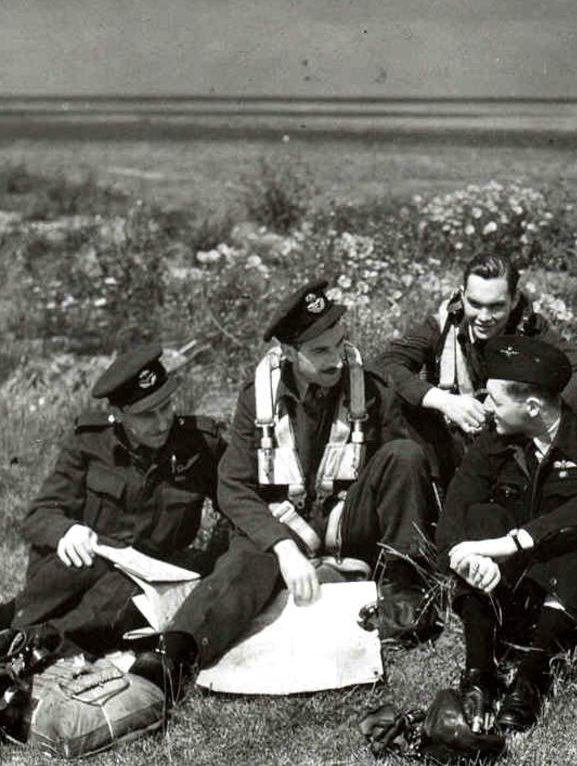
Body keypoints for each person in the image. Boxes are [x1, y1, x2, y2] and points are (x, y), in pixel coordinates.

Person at [131, 279, 437, 699]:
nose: (336, 360)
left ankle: (404, 597)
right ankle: (176, 653)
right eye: (321, 351)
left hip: (347, 520)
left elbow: (399, 475)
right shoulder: (257, 397)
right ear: (290, 354)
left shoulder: (371, 387)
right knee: (242, 562)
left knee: (405, 454)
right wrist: (283, 548)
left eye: (340, 344)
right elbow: (233, 485)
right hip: (285, 523)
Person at [436, 336, 577, 734]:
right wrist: (467, 559)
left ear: (531, 407)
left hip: (571, 604)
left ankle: (531, 676)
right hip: (510, 593)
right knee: (482, 517)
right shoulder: (496, 439)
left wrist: (517, 541)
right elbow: (454, 512)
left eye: (494, 399)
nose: (486, 407)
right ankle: (480, 672)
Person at [0, 343, 225, 656]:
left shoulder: (201, 445)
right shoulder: (90, 442)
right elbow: (39, 516)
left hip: (145, 579)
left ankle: (38, 642)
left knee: (120, 594)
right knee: (82, 562)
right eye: (147, 415)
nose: (162, 422)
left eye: (166, 406)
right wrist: (66, 531)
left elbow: (237, 500)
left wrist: (218, 556)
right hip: (79, 571)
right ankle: (16, 620)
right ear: (119, 415)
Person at [373, 252, 577, 485]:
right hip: (452, 446)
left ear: (515, 299)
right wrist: (445, 401)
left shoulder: (531, 329)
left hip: (511, 448)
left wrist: (520, 404)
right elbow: (386, 365)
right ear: (462, 294)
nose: (484, 317)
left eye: (496, 306)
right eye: (475, 304)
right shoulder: (442, 325)